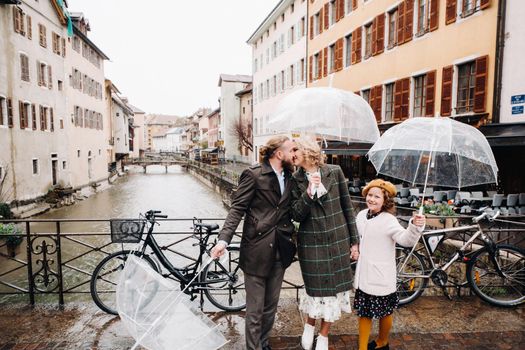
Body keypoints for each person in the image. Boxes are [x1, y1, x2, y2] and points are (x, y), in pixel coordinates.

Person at [210, 135, 297, 350]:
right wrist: (223, 240)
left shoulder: (291, 177)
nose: (294, 154)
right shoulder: (254, 174)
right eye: (291, 150)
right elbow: (237, 209)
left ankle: (263, 344)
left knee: (270, 306)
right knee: (255, 309)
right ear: (279, 153)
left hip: (281, 249)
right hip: (257, 249)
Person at [290, 137, 359, 350]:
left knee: (335, 291)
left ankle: (324, 334)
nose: (291, 154)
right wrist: (309, 192)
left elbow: (348, 208)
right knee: (316, 291)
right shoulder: (295, 179)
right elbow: (296, 214)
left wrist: (354, 242)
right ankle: (309, 325)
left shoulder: (334, 171)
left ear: (308, 151)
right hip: (311, 243)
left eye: (295, 149)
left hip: (338, 241)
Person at [354, 179, 426, 350]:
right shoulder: (361, 215)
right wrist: (355, 247)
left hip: (381, 276)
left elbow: (405, 239)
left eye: (376, 196)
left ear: (385, 201)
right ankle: (362, 347)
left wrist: (415, 227)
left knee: (385, 313)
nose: (371, 199)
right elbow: (358, 237)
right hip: (364, 274)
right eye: (369, 195)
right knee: (364, 313)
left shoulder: (389, 220)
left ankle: (382, 341)